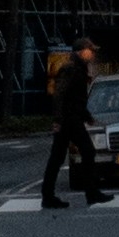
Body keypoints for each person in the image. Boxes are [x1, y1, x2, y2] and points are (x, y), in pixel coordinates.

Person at [41, 39, 98, 208]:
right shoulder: (71, 69)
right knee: (88, 151)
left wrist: (87, 116)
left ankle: (48, 196)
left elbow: (75, 98)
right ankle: (92, 192)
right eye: (90, 50)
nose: (93, 54)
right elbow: (60, 95)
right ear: (82, 51)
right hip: (69, 120)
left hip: (70, 118)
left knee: (57, 158)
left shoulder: (77, 68)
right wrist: (58, 119)